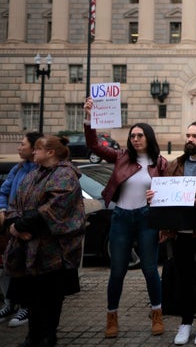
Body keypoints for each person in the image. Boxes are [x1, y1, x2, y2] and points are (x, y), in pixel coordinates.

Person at [83, 97, 168, 338]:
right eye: (132, 135)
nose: (135, 139)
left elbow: (169, 192)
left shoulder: (160, 163)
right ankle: (112, 316)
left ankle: (157, 314)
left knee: (151, 269)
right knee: (117, 270)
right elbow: (94, 146)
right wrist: (89, 118)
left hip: (147, 219)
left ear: (149, 138)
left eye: (140, 135)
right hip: (121, 217)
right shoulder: (121, 157)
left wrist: (161, 211)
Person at [3, 135, 85, 347]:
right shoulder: (32, 174)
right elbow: (16, 202)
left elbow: (54, 208)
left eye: (38, 149)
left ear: (50, 153)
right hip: (28, 247)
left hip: (54, 251)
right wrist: (14, 226)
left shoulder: (65, 174)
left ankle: (48, 336)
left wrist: (20, 226)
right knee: (32, 294)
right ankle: (33, 335)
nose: (34, 152)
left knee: (50, 296)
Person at [164, 121, 196, 346]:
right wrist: (154, 197)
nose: (190, 139)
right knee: (184, 279)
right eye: (188, 135)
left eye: (195, 136)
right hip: (181, 231)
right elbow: (164, 195)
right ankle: (185, 323)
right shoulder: (175, 164)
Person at [0, 131, 42, 328]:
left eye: (22, 144)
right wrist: (2, 209)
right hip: (11, 224)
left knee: (28, 267)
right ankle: (10, 303)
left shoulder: (41, 171)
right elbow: (4, 191)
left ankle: (27, 306)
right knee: (9, 265)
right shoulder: (17, 169)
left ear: (34, 148)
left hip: (28, 225)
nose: (19, 147)